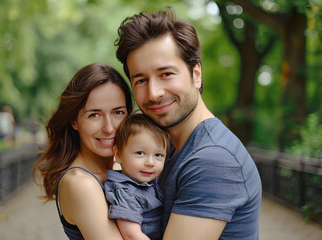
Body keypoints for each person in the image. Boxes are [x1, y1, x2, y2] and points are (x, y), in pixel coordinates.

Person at [114, 8, 262, 240]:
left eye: (166, 74)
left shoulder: (213, 159)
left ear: (196, 74)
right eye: (141, 80)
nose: (154, 93)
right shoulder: (165, 148)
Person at [33, 63, 133, 240]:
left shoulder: (118, 171)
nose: (109, 128)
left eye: (118, 112)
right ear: (74, 121)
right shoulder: (80, 184)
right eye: (94, 115)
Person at [105, 113, 170, 240]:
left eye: (158, 155)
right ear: (118, 154)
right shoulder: (125, 191)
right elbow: (131, 235)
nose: (150, 163)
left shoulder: (154, 182)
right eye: (140, 153)